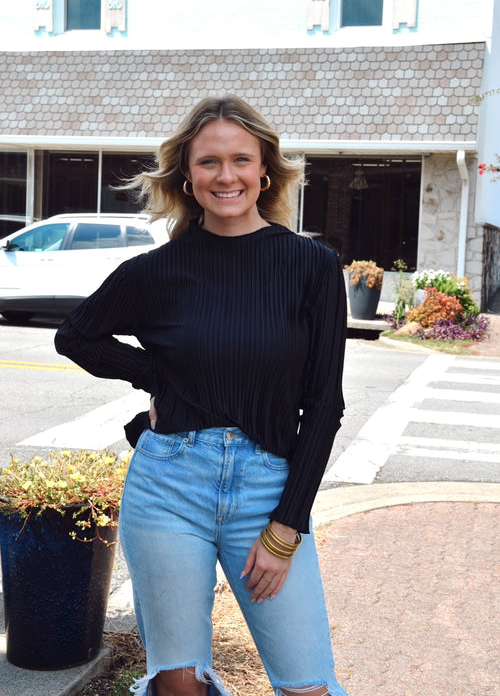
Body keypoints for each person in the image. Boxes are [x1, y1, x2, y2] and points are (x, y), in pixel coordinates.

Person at [55, 96, 348, 696]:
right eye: (209, 161)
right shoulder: (157, 271)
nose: (226, 175)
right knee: (177, 685)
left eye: (241, 159)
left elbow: (324, 405)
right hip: (167, 488)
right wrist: (157, 377)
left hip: (269, 487)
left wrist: (286, 527)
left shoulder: (312, 266)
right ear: (186, 175)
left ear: (264, 169)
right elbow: (76, 336)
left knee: (307, 685)